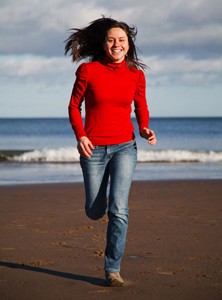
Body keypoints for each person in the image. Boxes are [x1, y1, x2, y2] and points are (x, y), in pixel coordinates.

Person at [65, 17, 157, 287]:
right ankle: (98, 203)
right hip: (92, 148)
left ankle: (112, 269)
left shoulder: (136, 75)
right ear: (104, 44)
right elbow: (73, 107)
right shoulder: (88, 71)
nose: (116, 44)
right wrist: (80, 135)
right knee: (95, 211)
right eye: (111, 39)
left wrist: (144, 128)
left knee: (119, 209)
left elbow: (140, 106)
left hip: (125, 147)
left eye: (121, 40)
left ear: (128, 45)